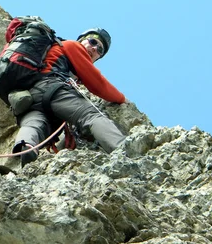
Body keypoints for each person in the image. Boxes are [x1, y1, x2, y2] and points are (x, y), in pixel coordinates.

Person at [11, 27, 128, 165]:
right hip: (51, 87)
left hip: (28, 96)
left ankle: (27, 147)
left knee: (34, 124)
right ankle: (122, 149)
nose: (94, 49)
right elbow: (98, 84)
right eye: (92, 42)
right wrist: (122, 99)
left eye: (100, 50)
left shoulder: (54, 54)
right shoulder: (72, 46)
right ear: (81, 40)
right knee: (91, 116)